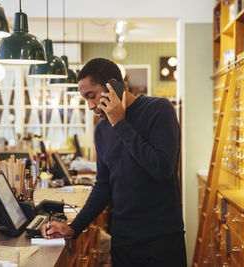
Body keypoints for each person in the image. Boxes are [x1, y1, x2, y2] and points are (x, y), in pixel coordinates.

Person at [42, 58, 186, 267]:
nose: (90, 105)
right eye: (85, 99)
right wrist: (74, 227)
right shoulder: (102, 130)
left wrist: (119, 123)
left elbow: (162, 169)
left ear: (112, 85)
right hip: (123, 239)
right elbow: (103, 186)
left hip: (162, 238)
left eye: (91, 96)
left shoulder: (159, 110)